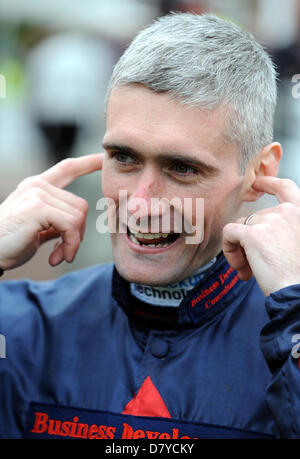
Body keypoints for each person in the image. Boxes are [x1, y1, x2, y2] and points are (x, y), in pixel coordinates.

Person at [0, 12, 300, 440]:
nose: (139, 204)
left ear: (259, 172)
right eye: (124, 157)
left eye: (182, 168)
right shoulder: (24, 327)